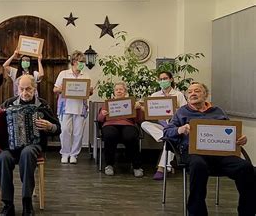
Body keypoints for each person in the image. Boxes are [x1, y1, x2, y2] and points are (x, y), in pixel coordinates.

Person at [0, 75, 60, 216]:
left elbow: (58, 127)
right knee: (3, 157)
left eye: (28, 89)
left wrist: (50, 126)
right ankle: (8, 204)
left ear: (34, 88)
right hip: (10, 147)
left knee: (27, 153)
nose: (25, 93)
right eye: (22, 89)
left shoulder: (42, 105)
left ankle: (27, 202)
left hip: (33, 146)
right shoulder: (8, 104)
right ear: (17, 89)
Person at [163, 82, 255, 216]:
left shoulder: (218, 111)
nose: (193, 93)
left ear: (205, 95)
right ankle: (197, 213)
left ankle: (248, 212)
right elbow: (166, 133)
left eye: (197, 91)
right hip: (194, 154)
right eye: (190, 92)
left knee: (246, 167)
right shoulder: (181, 112)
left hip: (221, 155)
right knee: (198, 165)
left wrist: (241, 139)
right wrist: (180, 129)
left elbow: (232, 133)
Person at [141, 71, 187, 180]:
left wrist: (176, 110)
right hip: (161, 126)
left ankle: (161, 169)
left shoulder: (178, 95)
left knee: (172, 137)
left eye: (165, 78)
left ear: (171, 79)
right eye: (161, 79)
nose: (163, 81)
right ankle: (165, 137)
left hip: (174, 126)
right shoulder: (155, 95)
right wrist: (142, 107)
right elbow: (150, 112)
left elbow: (185, 111)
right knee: (144, 124)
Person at [53, 50, 92, 164]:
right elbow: (55, 89)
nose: (82, 64)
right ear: (74, 61)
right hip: (65, 108)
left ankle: (74, 154)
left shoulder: (86, 75)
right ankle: (65, 153)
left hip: (80, 108)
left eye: (83, 62)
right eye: (81, 61)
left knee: (78, 133)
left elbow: (89, 93)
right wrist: (66, 88)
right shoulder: (64, 74)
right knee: (65, 131)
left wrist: (89, 91)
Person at [97, 82, 144, 177]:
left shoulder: (131, 103)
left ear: (125, 91)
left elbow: (139, 120)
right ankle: (109, 165)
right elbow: (99, 119)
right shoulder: (108, 103)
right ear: (114, 92)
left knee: (130, 136)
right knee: (110, 135)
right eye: (116, 89)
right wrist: (103, 114)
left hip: (127, 124)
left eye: (121, 89)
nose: (119, 91)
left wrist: (138, 109)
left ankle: (136, 166)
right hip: (110, 124)